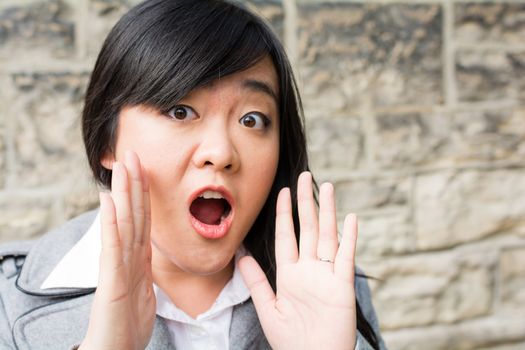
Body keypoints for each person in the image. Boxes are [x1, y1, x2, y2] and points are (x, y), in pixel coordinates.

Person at [0, 0, 386, 349]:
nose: (220, 153)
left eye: (252, 119)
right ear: (107, 141)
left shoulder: (327, 286)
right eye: (180, 111)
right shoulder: (8, 300)